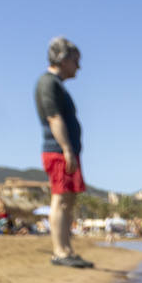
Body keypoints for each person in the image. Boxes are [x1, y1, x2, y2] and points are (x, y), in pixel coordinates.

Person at [36, 36, 92, 267]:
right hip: (58, 151)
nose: (78, 66)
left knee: (68, 201)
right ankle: (59, 251)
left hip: (66, 151)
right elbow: (53, 117)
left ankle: (67, 248)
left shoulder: (57, 85)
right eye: (75, 61)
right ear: (63, 59)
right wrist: (67, 149)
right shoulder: (48, 83)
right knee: (60, 199)